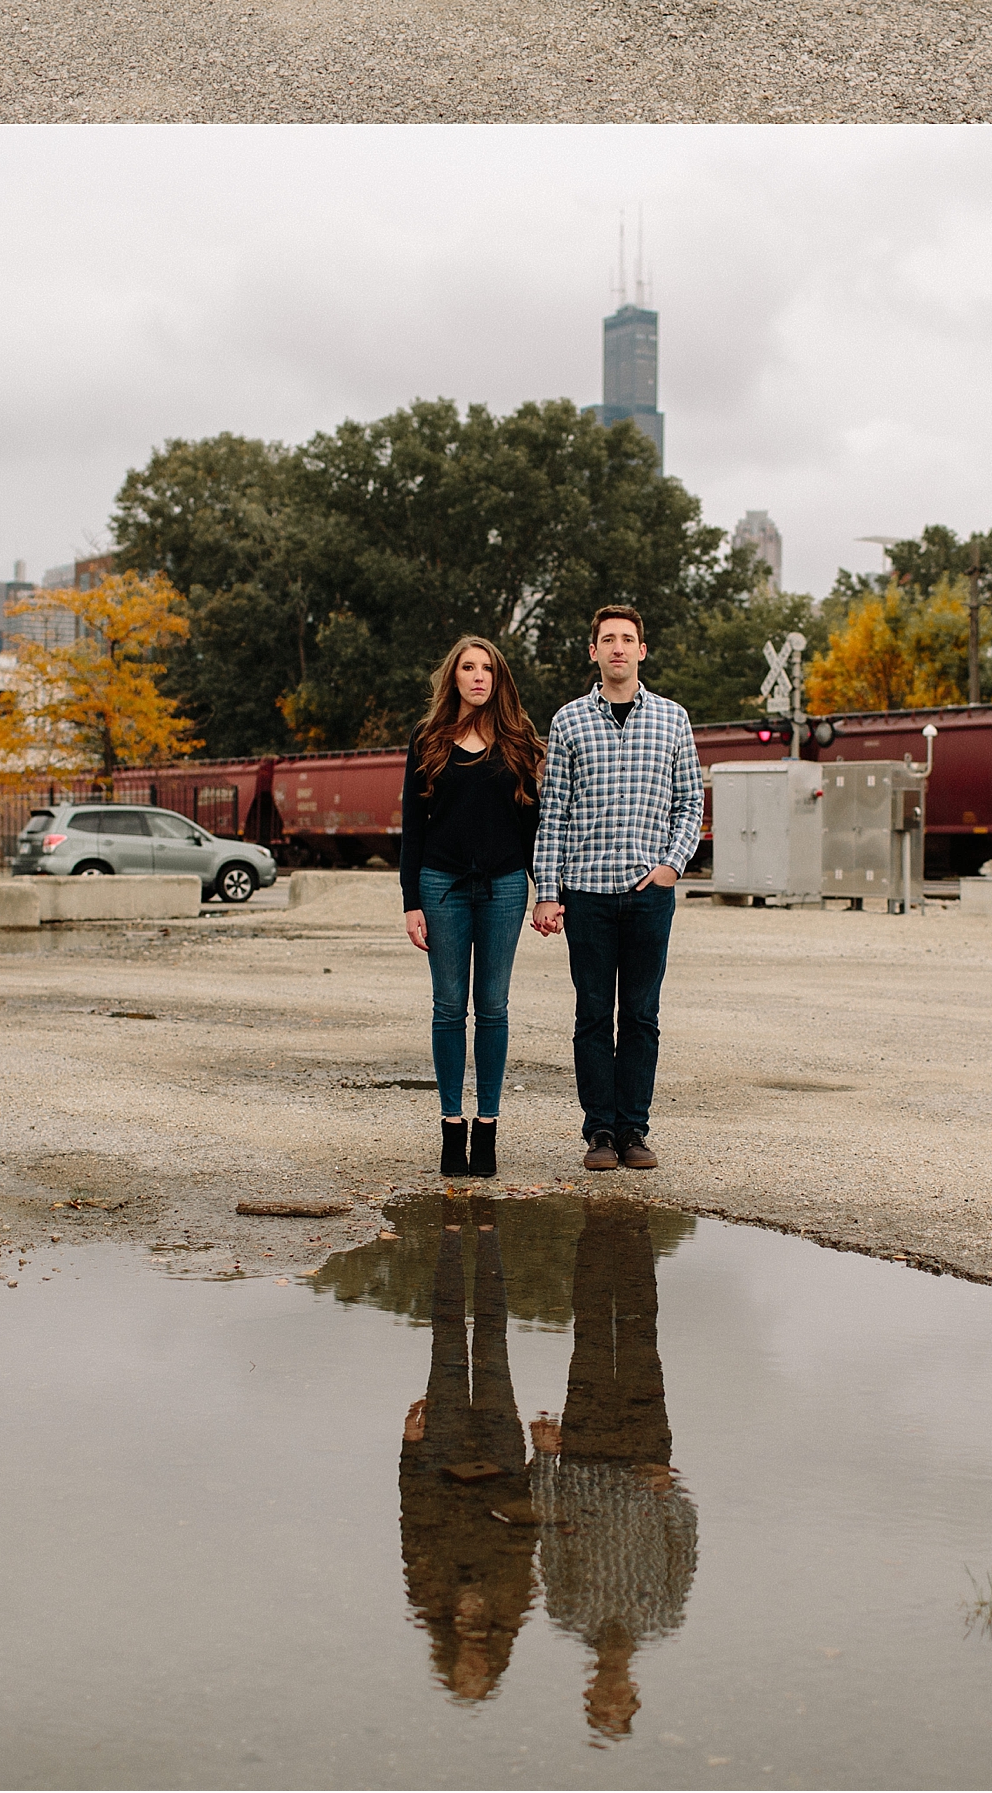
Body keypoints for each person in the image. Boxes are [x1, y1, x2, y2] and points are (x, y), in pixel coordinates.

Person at [531, 605, 701, 1170]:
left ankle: (634, 1130)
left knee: (642, 1016)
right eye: (608, 640)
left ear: (642, 651)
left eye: (628, 639)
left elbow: (689, 803)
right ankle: (599, 1133)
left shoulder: (673, 719)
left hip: (649, 892)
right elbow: (553, 812)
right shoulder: (568, 721)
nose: (619, 648)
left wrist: (672, 865)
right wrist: (548, 892)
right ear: (594, 652)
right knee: (592, 1015)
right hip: (587, 893)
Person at [532, 1202, 697, 1739]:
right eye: (616, 1702)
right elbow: (685, 1540)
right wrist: (670, 1493)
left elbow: (548, 1529)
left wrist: (546, 1456)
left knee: (592, 1338)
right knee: (639, 1338)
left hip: (582, 1452)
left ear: (591, 1693)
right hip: (647, 1457)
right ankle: (633, 1234)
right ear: (631, 1693)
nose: (609, 1693)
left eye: (603, 1703)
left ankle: (603, 1230)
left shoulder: (565, 1612)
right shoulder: (665, 1619)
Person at [400, 634, 546, 1178]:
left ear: (498, 678)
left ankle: (487, 1127)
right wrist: (410, 901)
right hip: (441, 886)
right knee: (447, 1006)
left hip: (505, 887)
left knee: (493, 1008)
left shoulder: (519, 741)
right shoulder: (428, 738)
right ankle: (450, 1126)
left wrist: (546, 892)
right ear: (453, 677)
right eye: (468, 667)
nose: (479, 676)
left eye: (487, 668)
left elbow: (533, 826)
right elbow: (413, 828)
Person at [398, 1204, 537, 1700]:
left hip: (437, 1462)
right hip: (501, 1463)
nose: (472, 1667)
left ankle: (454, 1235)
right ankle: (487, 1234)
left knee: (448, 1339)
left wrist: (410, 1448)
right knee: (492, 1341)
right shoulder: (516, 1604)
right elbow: (530, 1530)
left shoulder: (426, 1599)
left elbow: (412, 1521)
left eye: (465, 1676)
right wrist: (541, 1461)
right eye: (478, 1676)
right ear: (491, 1667)